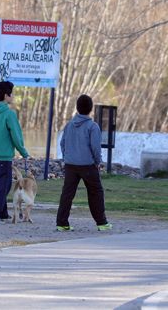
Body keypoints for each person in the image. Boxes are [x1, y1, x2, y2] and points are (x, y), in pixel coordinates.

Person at [56, 94, 112, 232]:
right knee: (95, 192)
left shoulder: (69, 125)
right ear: (90, 109)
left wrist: (66, 157)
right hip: (87, 165)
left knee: (67, 194)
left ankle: (62, 223)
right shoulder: (92, 126)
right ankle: (101, 222)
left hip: (70, 165)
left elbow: (62, 143)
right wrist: (98, 161)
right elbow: (95, 147)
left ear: (77, 108)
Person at [0, 81, 29, 224]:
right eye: (11, 93)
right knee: (4, 186)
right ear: (5, 95)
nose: (13, 96)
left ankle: (2, 213)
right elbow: (16, 135)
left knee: (2, 184)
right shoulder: (9, 114)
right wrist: (24, 152)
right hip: (3, 157)